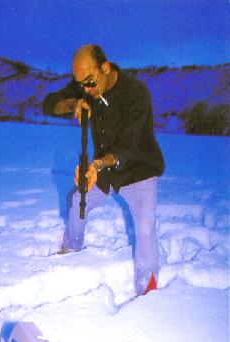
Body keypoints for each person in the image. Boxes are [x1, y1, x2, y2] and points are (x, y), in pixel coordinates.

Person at [43, 44, 165, 295]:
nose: (86, 89)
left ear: (105, 68)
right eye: (81, 85)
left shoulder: (136, 92)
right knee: (78, 200)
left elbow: (129, 146)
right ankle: (71, 249)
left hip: (139, 168)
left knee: (145, 229)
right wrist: (73, 103)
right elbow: (48, 103)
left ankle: (148, 292)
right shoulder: (86, 86)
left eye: (89, 82)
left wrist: (97, 164)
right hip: (105, 169)